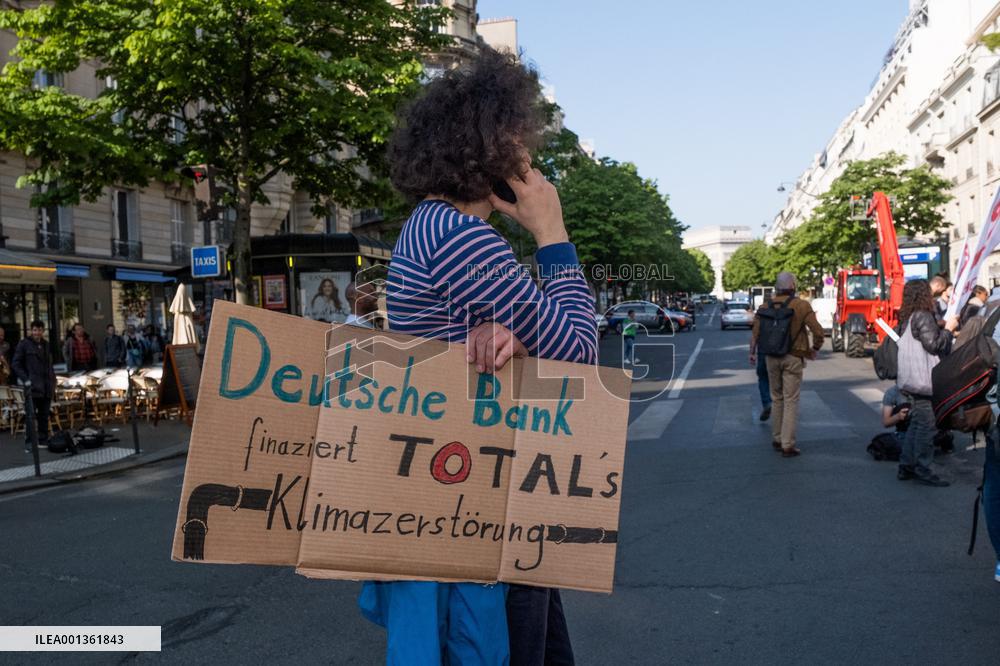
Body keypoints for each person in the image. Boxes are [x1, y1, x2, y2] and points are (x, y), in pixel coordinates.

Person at [358, 47, 597, 665]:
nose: (528, 159)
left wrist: (518, 336)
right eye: (519, 142)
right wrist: (552, 233)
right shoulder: (460, 237)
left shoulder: (428, 226)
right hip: (490, 507)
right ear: (490, 149)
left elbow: (486, 337)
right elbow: (579, 351)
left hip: (473, 488)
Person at [749, 272, 824, 457]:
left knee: (776, 398)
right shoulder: (801, 305)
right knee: (791, 400)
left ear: (777, 287)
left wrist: (752, 352)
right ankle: (787, 444)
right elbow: (818, 331)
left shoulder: (764, 306)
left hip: (770, 357)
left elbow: (755, 333)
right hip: (793, 357)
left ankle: (776, 438)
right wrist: (814, 348)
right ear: (792, 286)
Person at [895, 279, 958, 486]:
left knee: (917, 423)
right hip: (924, 380)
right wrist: (948, 330)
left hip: (911, 379)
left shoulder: (908, 316)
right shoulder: (923, 315)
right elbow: (934, 345)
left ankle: (907, 465)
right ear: (924, 295)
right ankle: (923, 467)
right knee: (926, 426)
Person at [12, 320, 56, 452]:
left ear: (43, 331)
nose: (37, 333)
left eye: (40, 330)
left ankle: (43, 440)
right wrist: (25, 379)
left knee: (44, 415)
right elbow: (16, 363)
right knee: (31, 416)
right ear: (31, 330)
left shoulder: (46, 345)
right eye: (35, 330)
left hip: (46, 386)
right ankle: (30, 443)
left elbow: (49, 364)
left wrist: (53, 380)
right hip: (32, 386)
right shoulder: (24, 344)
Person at [881, 385, 910, 449]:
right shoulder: (892, 392)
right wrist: (898, 416)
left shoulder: (925, 389)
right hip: (905, 432)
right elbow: (886, 422)